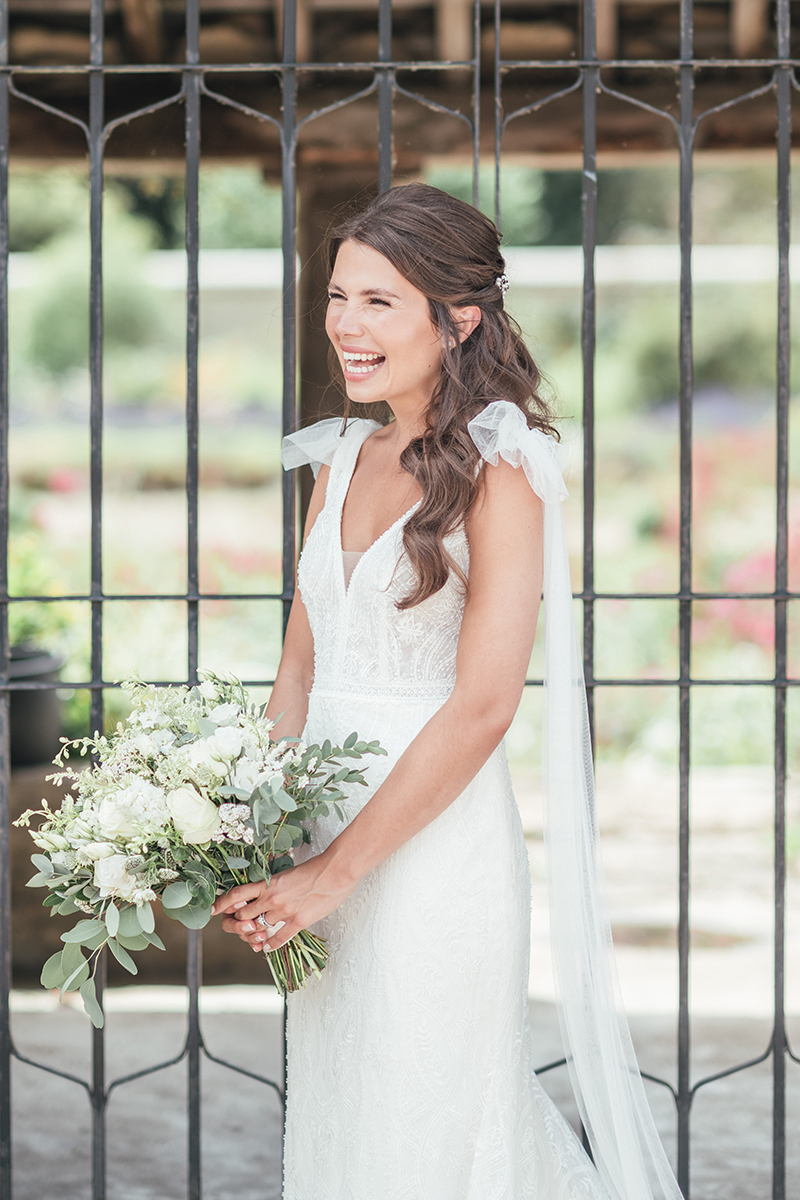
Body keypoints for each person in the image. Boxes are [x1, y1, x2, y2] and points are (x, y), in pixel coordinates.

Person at [212, 183, 682, 1200]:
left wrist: (332, 874)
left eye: (379, 301)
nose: (344, 323)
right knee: (352, 1129)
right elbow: (301, 668)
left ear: (457, 316)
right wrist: (244, 831)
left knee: (432, 1135)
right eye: (338, 295)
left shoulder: (501, 470)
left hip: (429, 865)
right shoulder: (337, 460)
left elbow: (481, 707)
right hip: (317, 848)